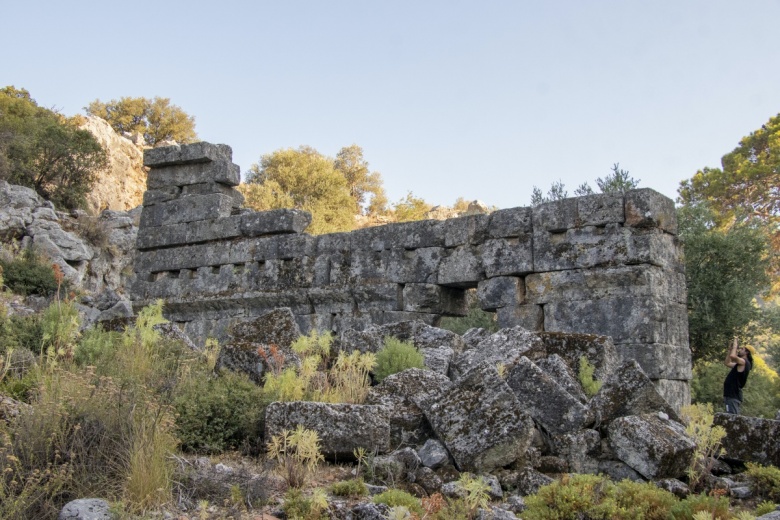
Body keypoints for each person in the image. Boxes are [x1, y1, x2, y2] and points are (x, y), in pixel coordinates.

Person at [723, 336, 752, 414]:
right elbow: (727, 363)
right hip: (730, 395)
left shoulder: (744, 362)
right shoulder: (740, 364)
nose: (740, 350)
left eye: (742, 349)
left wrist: (735, 346)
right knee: (731, 416)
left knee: (732, 417)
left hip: (733, 396)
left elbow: (733, 356)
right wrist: (730, 350)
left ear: (747, 352)